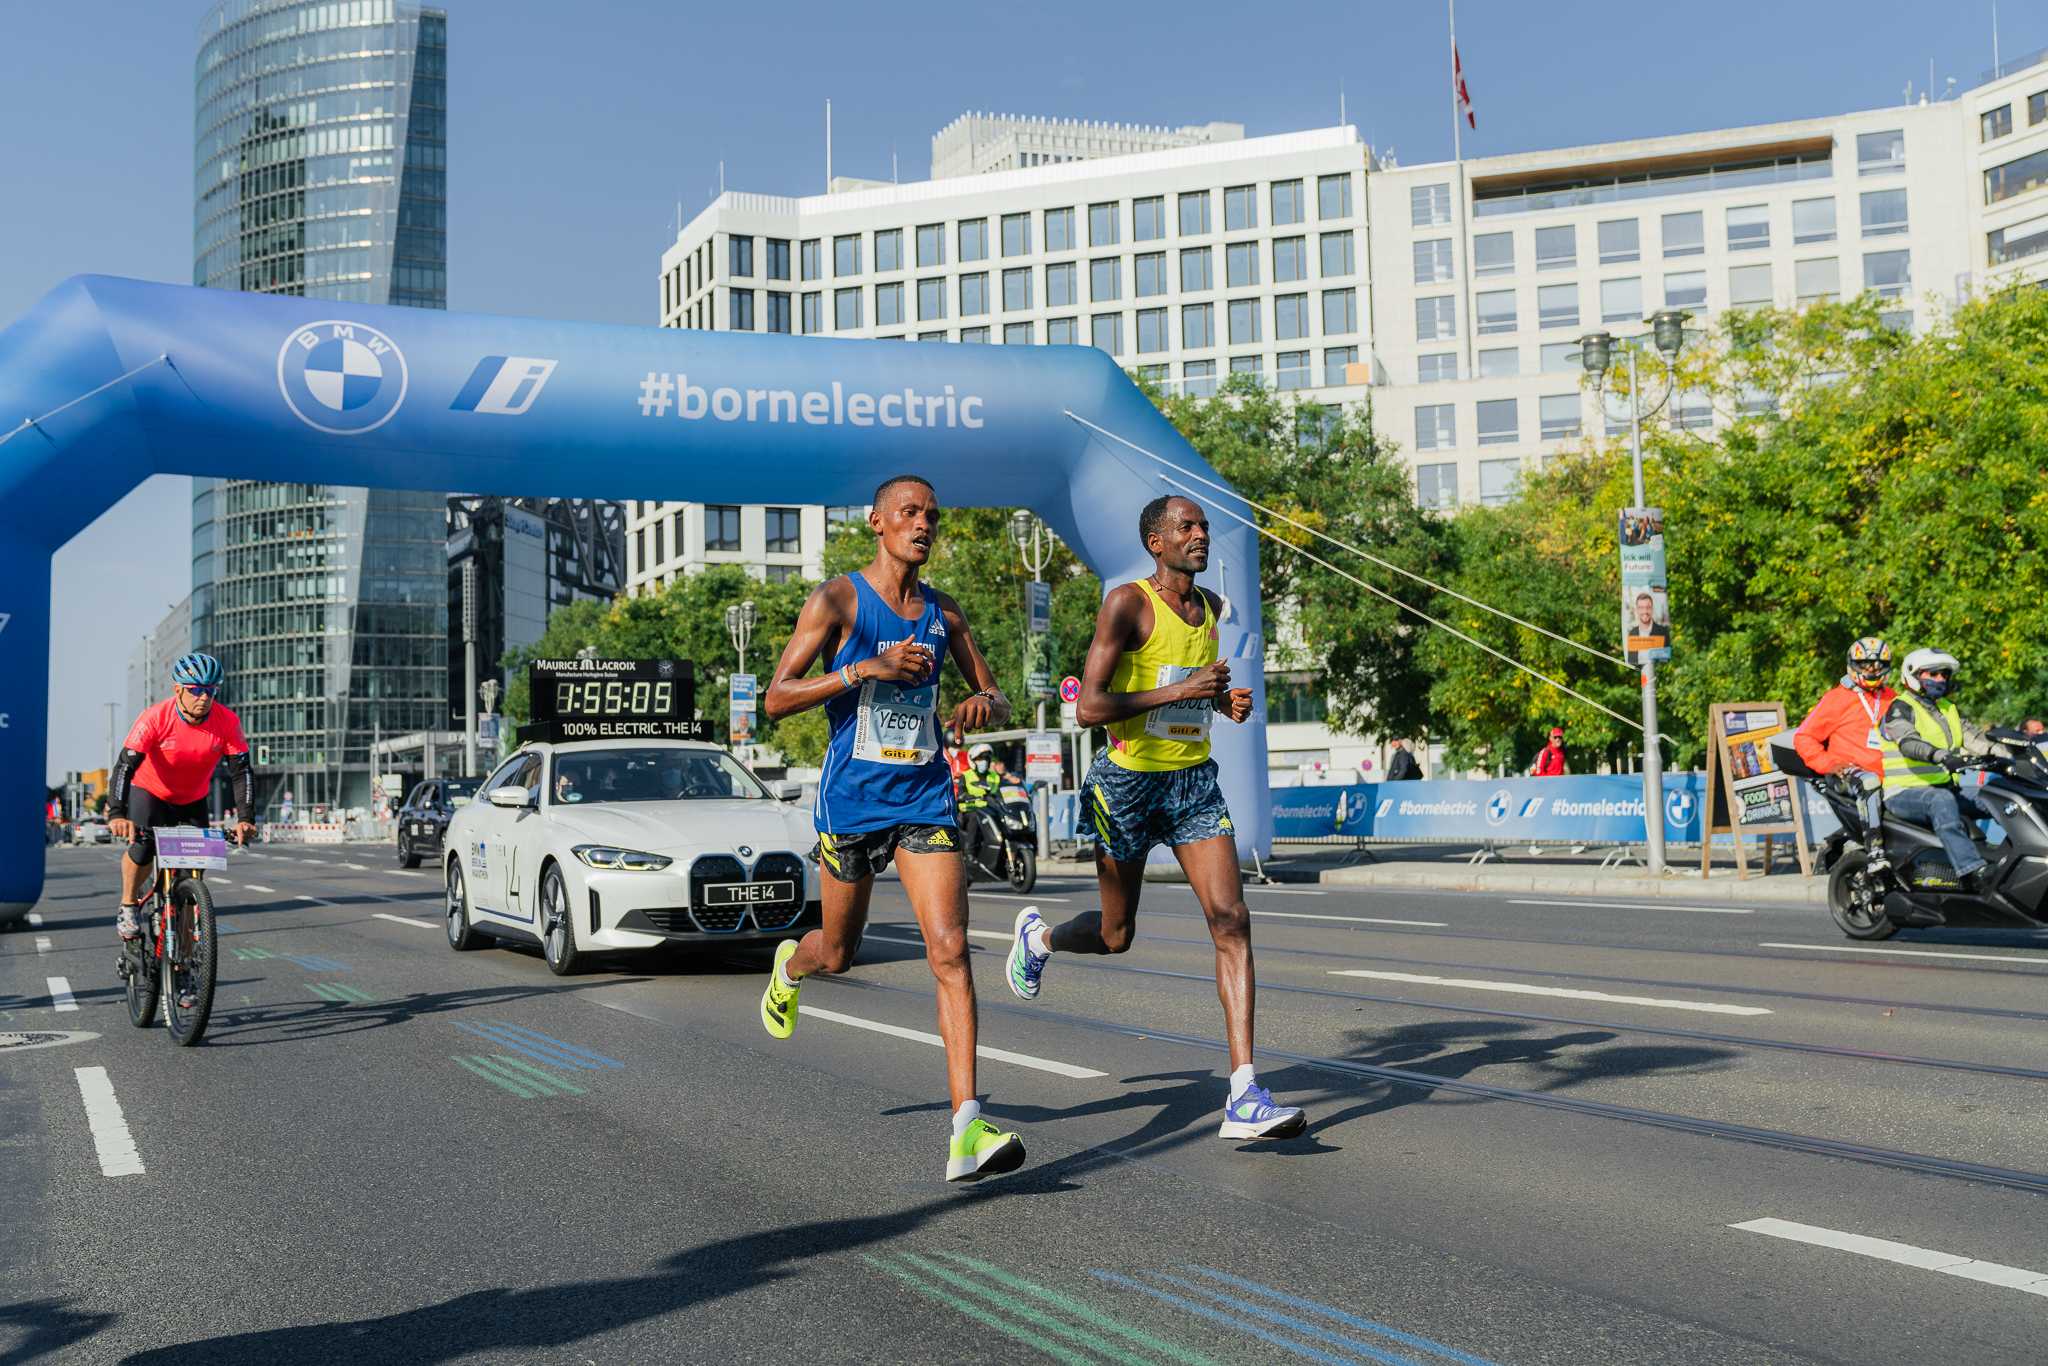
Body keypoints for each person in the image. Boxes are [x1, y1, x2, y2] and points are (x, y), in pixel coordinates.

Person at [1004, 494, 1306, 1143]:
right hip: (1128, 784)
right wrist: (1182, 690)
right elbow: (1087, 707)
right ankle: (1040, 940)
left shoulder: (1212, 611)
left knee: (1231, 919)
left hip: (1192, 781)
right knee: (1117, 934)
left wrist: (1222, 701)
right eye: (1186, 528)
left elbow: (1195, 690)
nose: (1200, 536)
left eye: (1202, 527)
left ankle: (1244, 1090)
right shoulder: (1128, 604)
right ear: (1156, 543)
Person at [758, 474, 1024, 1183]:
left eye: (932, 515)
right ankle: (791, 966)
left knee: (951, 949)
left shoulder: (945, 613)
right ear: (877, 522)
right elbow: (776, 699)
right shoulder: (839, 599)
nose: (924, 524)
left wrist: (979, 707)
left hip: (926, 797)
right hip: (851, 804)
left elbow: (995, 695)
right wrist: (863, 669)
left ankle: (967, 1127)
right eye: (910, 513)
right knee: (837, 955)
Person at [106, 653, 256, 965]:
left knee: (191, 885)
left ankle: (184, 965)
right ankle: (128, 906)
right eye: (196, 690)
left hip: (192, 800)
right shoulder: (155, 718)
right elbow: (124, 767)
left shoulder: (227, 721)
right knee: (143, 848)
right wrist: (117, 814)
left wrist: (246, 819)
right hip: (151, 793)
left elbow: (241, 771)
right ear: (178, 690)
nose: (204, 698)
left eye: (211, 691)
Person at [1878, 648, 2011, 893]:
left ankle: (2012, 864)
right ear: (1913, 675)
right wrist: (1941, 756)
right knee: (1942, 800)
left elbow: (1976, 741)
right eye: (1933, 673)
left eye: (1944, 674)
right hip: (1904, 793)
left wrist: (2010, 757)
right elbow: (1908, 742)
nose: (1940, 679)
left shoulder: (1948, 709)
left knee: (1998, 798)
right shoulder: (1900, 708)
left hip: (1944, 788)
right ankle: (1972, 870)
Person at [1794, 636, 1895, 865]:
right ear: (1853, 665)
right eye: (1866, 664)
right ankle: (1875, 852)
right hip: (1848, 772)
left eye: (1878, 665)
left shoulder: (1893, 698)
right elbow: (1804, 737)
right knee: (1869, 782)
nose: (1872, 670)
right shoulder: (1836, 698)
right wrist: (1828, 764)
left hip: (1889, 772)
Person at [956, 742, 1001, 865]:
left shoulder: (994, 776)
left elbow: (1000, 792)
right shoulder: (966, 776)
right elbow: (960, 794)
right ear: (972, 760)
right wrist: (971, 796)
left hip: (989, 810)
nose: (984, 761)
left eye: (986, 758)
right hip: (969, 810)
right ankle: (969, 852)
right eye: (980, 758)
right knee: (975, 817)